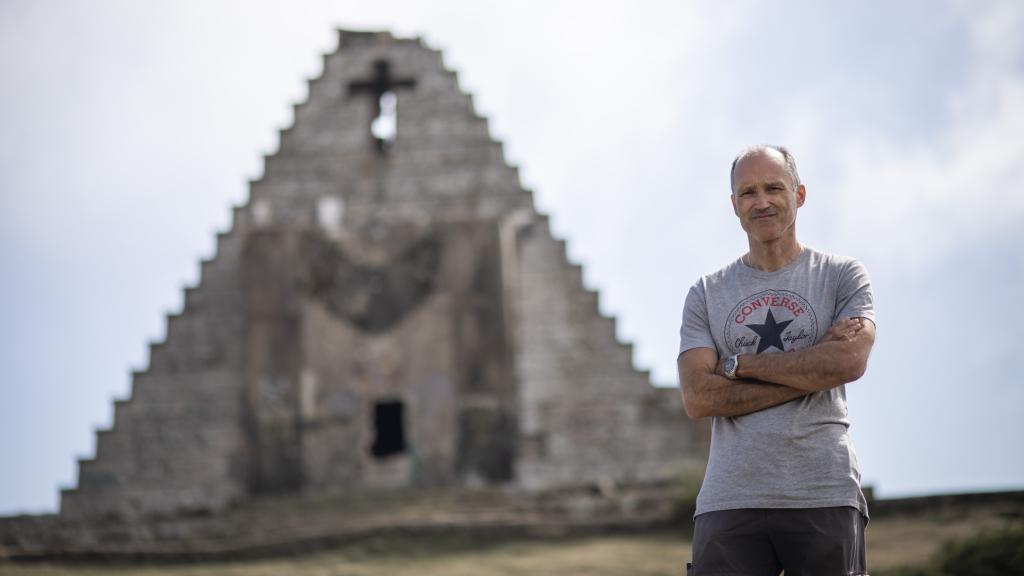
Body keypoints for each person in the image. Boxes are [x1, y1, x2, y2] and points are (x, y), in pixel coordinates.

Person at [677, 145, 876, 576]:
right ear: (734, 205)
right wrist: (811, 365)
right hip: (729, 500)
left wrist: (738, 366)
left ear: (799, 195)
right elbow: (697, 398)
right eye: (748, 192)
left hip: (823, 491)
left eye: (773, 188)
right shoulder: (706, 293)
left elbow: (849, 362)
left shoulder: (843, 275)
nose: (761, 201)